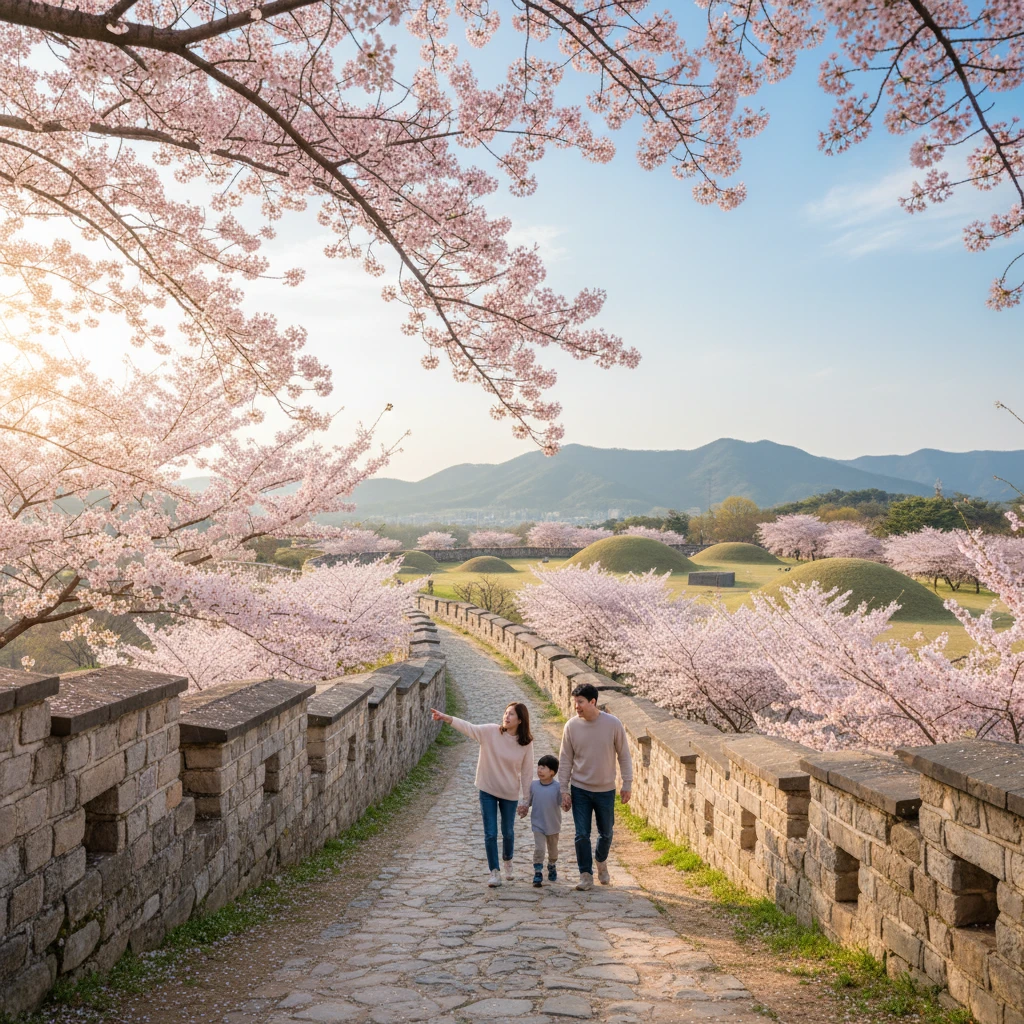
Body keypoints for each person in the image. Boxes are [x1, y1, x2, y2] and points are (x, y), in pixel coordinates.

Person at [430, 701, 533, 887]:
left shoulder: (525, 743)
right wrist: (446, 718)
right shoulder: (491, 732)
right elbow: (469, 728)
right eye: (505, 712)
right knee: (490, 833)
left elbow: (527, 772)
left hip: (509, 792)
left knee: (508, 832)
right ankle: (494, 871)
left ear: (520, 720)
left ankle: (508, 859)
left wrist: (526, 799)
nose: (506, 717)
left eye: (511, 714)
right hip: (487, 789)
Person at [557, 682, 633, 892]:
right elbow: (565, 760)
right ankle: (585, 874)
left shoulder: (613, 724)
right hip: (580, 788)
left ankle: (601, 860)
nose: (576, 707)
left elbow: (624, 756)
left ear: (593, 702)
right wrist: (564, 790)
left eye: (580, 702)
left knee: (606, 833)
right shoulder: (571, 726)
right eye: (575, 702)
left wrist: (627, 783)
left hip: (605, 789)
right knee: (581, 834)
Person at [520, 754, 561, 887]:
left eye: (543, 768)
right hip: (538, 824)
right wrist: (524, 807)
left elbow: (563, 804)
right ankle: (538, 872)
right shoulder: (533, 785)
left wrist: (567, 803)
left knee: (553, 850)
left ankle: (552, 864)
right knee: (539, 849)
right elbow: (528, 801)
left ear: (552, 772)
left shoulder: (557, 787)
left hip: (553, 825)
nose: (539, 770)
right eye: (538, 767)